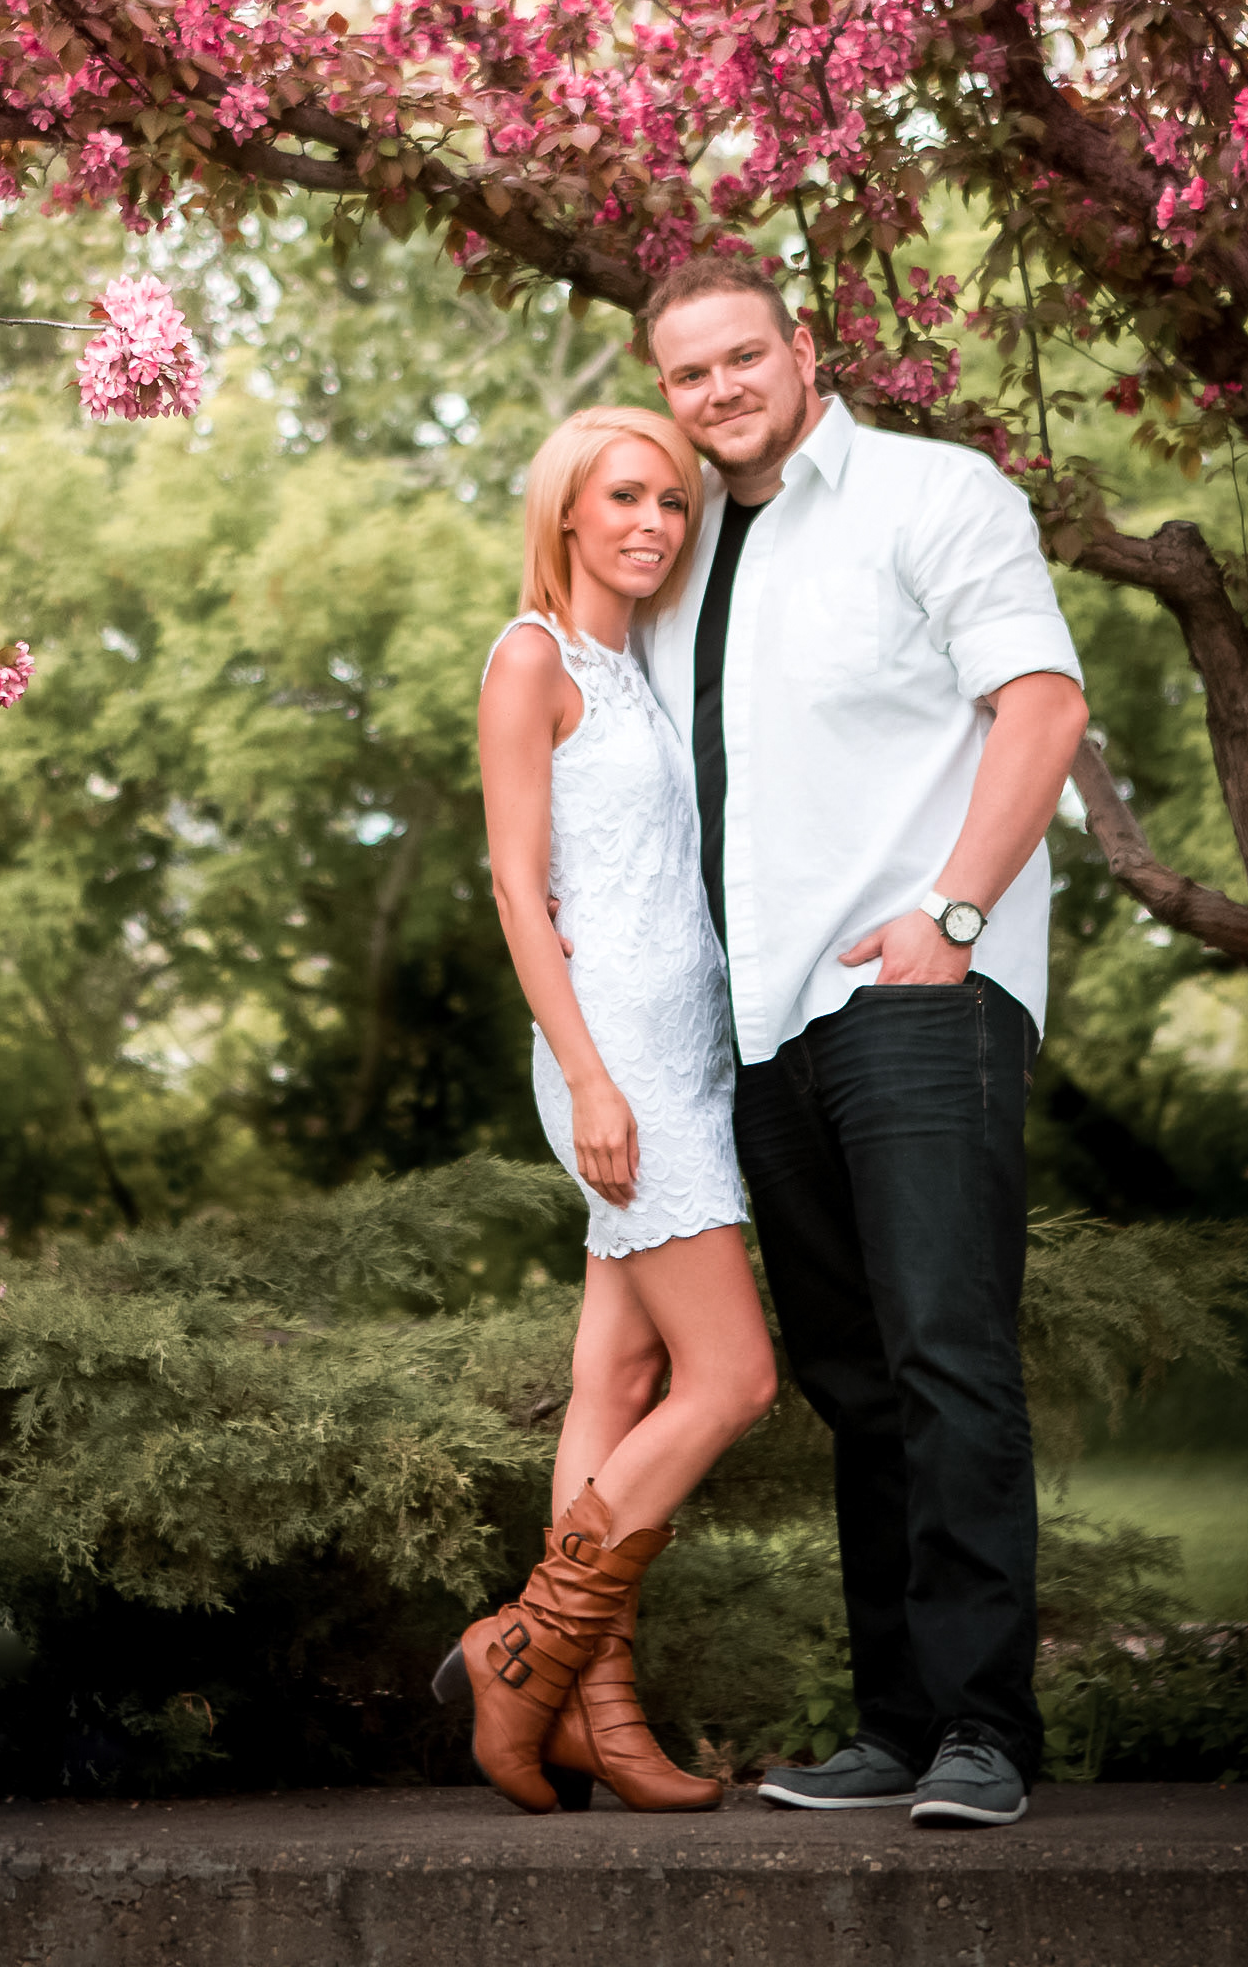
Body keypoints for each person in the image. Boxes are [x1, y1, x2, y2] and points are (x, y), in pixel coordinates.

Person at [639, 256, 1088, 1830]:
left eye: (741, 358)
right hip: (758, 1026)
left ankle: (985, 1729)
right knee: (854, 1381)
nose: (718, 393)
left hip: (913, 995)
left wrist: (952, 921)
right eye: (687, 375)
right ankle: (899, 1725)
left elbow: (1040, 704)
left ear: (802, 350)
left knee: (945, 1357)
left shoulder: (929, 494)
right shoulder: (684, 561)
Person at [434, 403, 780, 1814]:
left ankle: (596, 1714)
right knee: (734, 1380)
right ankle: (525, 1645)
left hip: (685, 1046)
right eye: (626, 497)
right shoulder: (532, 660)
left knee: (619, 1381)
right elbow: (520, 885)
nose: (653, 523)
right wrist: (585, 1075)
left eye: (676, 505)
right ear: (567, 512)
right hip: (616, 1059)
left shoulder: (644, 667)